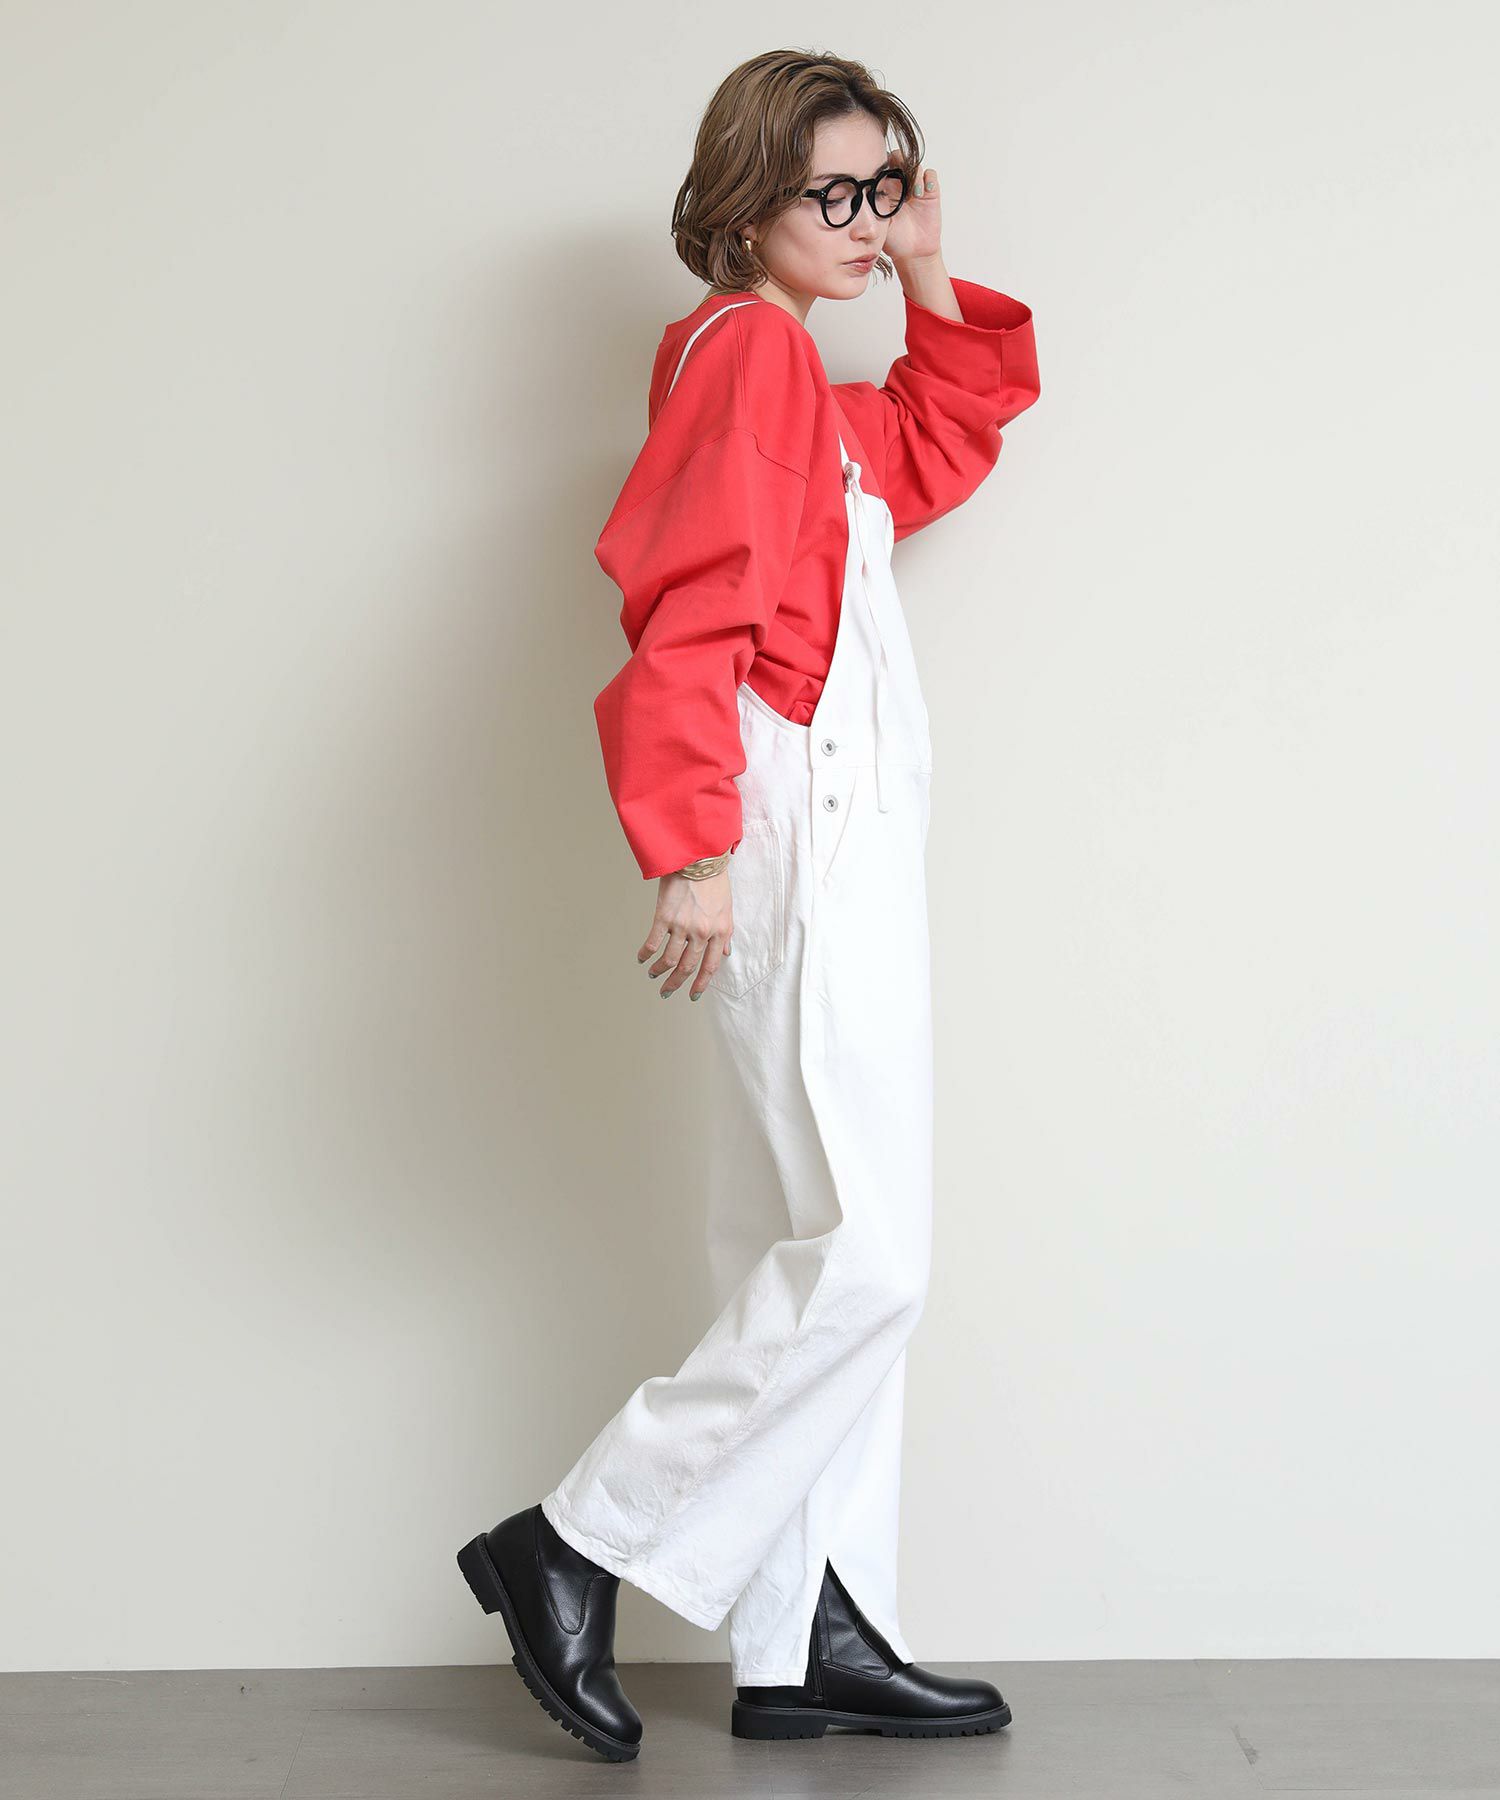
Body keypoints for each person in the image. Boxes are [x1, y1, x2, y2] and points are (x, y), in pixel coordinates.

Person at [458, 48, 1041, 1762]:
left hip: (833, 821)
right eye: (831, 193)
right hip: (796, 822)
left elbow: (939, 439)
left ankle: (811, 1630)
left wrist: (930, 269)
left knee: (807, 1231)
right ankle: (576, 1545)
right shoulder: (748, 357)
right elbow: (690, 603)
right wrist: (696, 846)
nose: (863, 219)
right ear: (747, 197)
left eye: (883, 185)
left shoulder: (792, 370)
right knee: (867, 1255)